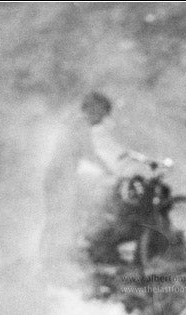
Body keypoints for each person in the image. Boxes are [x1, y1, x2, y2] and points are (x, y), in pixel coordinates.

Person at [42, 92, 162, 268]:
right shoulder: (80, 125)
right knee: (60, 216)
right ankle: (51, 259)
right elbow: (90, 153)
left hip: (63, 176)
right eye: (102, 112)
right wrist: (110, 171)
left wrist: (113, 168)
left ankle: (60, 256)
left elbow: (95, 152)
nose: (103, 118)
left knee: (66, 215)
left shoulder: (80, 123)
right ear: (93, 108)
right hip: (59, 177)